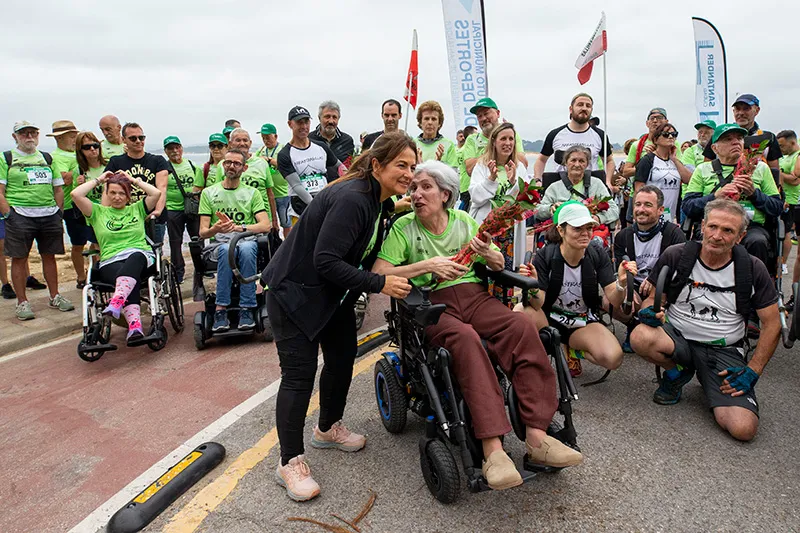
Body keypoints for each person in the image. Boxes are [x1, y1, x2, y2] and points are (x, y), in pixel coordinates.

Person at [373, 160, 583, 490]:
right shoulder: (404, 228)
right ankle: (493, 451)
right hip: (430, 304)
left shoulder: (465, 221)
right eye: (413, 188)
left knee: (521, 326)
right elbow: (380, 272)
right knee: (466, 340)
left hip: (474, 295)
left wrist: (489, 252)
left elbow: (498, 262)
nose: (416, 193)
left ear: (445, 194)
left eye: (424, 187)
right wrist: (428, 265)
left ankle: (537, 438)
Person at [262, 132, 416, 502]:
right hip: (293, 293)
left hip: (330, 295)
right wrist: (380, 282)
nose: (409, 173)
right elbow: (325, 261)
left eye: (412, 166)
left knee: (343, 357)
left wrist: (396, 209)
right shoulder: (353, 199)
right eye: (401, 165)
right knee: (299, 377)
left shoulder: (378, 199)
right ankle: (289, 462)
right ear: (377, 165)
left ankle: (328, 428)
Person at [630, 200, 779, 441]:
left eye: (728, 230)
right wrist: (649, 311)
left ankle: (706, 376)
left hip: (724, 350)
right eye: (713, 227)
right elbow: (655, 299)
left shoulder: (752, 268)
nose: (717, 236)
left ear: (740, 237)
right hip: (678, 339)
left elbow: (772, 324)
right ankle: (676, 373)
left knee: (743, 429)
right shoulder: (677, 255)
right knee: (640, 335)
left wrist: (753, 370)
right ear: (703, 226)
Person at [519, 201, 630, 376]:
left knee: (613, 358)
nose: (585, 234)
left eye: (589, 228)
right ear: (561, 230)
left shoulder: (597, 253)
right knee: (520, 310)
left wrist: (621, 284)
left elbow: (614, 301)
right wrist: (532, 285)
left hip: (581, 321)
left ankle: (571, 349)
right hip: (549, 319)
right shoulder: (545, 255)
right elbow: (537, 302)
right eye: (577, 229)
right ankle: (546, 353)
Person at [71, 171, 162, 344]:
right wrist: (99, 180)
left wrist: (134, 180)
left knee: (135, 258)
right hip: (110, 261)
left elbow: (156, 193)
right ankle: (134, 327)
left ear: (128, 196)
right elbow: (76, 194)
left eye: (122, 193)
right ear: (106, 193)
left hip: (140, 257)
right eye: (112, 192)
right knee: (126, 276)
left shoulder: (137, 208)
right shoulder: (97, 212)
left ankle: (117, 303)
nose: (117, 197)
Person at [682, 124, 783, 272]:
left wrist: (754, 194)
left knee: (757, 241)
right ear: (715, 148)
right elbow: (688, 206)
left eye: (740, 138)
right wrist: (715, 197)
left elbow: (777, 207)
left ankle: (754, 286)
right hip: (713, 225)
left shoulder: (760, 168)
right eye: (728, 139)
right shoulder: (703, 170)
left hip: (750, 227)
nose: (736, 142)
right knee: (708, 239)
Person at [0, 121, 74, 320]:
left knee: (49, 256)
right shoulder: (6, 157)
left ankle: (55, 296)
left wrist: (58, 213)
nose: (29, 136)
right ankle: (22, 302)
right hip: (20, 215)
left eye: (33, 132)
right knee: (19, 258)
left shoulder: (47, 158)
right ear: (15, 136)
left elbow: (58, 188)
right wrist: (9, 214)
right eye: (24, 133)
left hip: (48, 214)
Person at [198, 149, 272, 332]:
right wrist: (216, 228)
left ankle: (247, 307)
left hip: (244, 239)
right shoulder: (209, 193)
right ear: (223, 165)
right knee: (226, 250)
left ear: (244, 168)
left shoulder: (252, 193)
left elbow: (265, 225)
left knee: (246, 249)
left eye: (236, 163)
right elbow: (203, 232)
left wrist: (240, 228)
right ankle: (220, 308)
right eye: (228, 162)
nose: (231, 166)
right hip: (221, 243)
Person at [613, 186, 686, 350]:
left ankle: (642, 330)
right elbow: (618, 269)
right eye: (637, 204)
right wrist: (625, 291)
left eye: (647, 205)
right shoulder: (623, 235)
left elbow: (680, 271)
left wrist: (655, 280)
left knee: (648, 312)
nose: (641, 209)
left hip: (660, 288)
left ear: (660, 210)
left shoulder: (674, 234)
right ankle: (633, 325)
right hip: (635, 284)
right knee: (609, 301)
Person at [468, 122, 530, 270]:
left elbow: (527, 199)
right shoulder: (482, 165)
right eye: (503, 139)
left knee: (507, 268)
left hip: (509, 230)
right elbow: (475, 196)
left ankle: (506, 294)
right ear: (494, 141)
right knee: (484, 267)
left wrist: (514, 182)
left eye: (511, 139)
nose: (508, 143)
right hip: (487, 227)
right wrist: (490, 179)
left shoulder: (518, 167)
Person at [535, 145, 620, 249]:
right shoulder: (554, 187)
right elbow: (537, 211)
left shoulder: (597, 184)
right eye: (573, 160)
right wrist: (550, 208)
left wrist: (599, 218)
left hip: (589, 232)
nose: (577, 164)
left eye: (581, 161)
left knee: (595, 244)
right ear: (566, 163)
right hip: (562, 232)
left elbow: (614, 210)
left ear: (587, 164)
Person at [104, 122, 170, 242]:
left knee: (155, 251)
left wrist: (158, 211)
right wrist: (104, 213)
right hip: (125, 216)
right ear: (124, 140)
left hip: (152, 217)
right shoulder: (116, 162)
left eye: (141, 137)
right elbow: (107, 190)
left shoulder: (158, 161)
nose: (138, 141)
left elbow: (162, 187)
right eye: (133, 138)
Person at [277, 106, 342, 226]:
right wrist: (316, 205)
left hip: (325, 204)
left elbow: (339, 166)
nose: (304, 126)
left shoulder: (321, 146)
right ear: (290, 124)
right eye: (299, 122)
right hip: (300, 209)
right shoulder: (284, 154)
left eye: (306, 122)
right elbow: (296, 185)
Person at [459, 97, 528, 210]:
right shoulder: (472, 139)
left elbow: (522, 162)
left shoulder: (512, 134)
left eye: (486, 113)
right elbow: (470, 169)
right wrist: (494, 152)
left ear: (498, 113)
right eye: (479, 116)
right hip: (475, 198)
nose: (483, 118)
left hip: (508, 207)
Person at [534, 93, 614, 185]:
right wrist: (537, 180)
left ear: (591, 110)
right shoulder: (555, 134)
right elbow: (541, 160)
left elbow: (609, 161)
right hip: (560, 188)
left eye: (588, 106)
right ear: (571, 109)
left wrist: (607, 181)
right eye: (580, 105)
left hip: (591, 188)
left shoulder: (600, 135)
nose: (584, 108)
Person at [48, 120, 89, 288]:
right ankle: (81, 277)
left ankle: (95, 272)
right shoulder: (56, 157)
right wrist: (82, 165)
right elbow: (64, 180)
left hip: (87, 203)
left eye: (76, 136)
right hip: (71, 207)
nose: (75, 140)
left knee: (96, 241)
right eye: (72, 137)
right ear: (59, 138)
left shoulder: (76, 153)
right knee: (79, 244)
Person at [701, 94, 781, 170]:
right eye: (737, 109)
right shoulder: (718, 135)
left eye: (746, 108)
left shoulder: (768, 137)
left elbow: (774, 173)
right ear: (733, 111)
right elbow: (706, 170)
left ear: (757, 110)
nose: (741, 113)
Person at [220, 128, 279, 232]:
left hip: (262, 219)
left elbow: (269, 193)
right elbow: (219, 193)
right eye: (238, 140)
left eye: (245, 140)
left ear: (250, 143)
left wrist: (274, 220)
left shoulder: (261, 163)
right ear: (230, 143)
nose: (242, 143)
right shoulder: (223, 165)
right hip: (237, 220)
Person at [163, 136, 203, 284]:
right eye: (170, 148)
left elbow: (200, 185)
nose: (174, 151)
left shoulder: (192, 165)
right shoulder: (165, 168)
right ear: (166, 151)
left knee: (197, 239)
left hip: (192, 208)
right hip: (173, 209)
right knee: (175, 242)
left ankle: (201, 268)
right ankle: (178, 272)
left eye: (176, 147)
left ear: (181, 148)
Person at [634, 123, 693, 222]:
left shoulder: (674, 161)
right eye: (666, 134)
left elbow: (689, 180)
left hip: (671, 214)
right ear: (656, 139)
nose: (670, 137)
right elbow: (638, 189)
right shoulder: (648, 160)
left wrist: (674, 159)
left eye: (674, 134)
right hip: (651, 214)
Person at [621, 108, 682, 179]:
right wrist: (647, 161)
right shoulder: (637, 145)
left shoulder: (673, 143)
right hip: (642, 187)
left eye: (659, 118)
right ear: (647, 123)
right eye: (652, 118)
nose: (655, 121)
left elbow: (680, 168)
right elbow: (626, 172)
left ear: (666, 122)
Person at [777, 129, 800, 309]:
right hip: (786, 204)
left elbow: (794, 180)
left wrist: (775, 172)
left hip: (797, 205)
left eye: (783, 146)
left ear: (793, 143)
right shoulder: (784, 158)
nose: (781, 149)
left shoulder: (798, 155)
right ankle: (795, 296)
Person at [255, 124, 290, 235]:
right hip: (266, 195)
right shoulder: (260, 150)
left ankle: (288, 244)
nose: (266, 140)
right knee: (269, 223)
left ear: (275, 136)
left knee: (285, 222)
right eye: (263, 137)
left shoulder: (283, 149)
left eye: (268, 137)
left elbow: (286, 165)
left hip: (282, 193)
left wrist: (269, 160)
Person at [308, 101, 355, 177]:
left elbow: (348, 167)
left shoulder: (347, 141)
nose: (331, 121)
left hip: (339, 186)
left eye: (334, 117)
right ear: (319, 118)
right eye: (327, 116)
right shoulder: (309, 139)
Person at [413, 100, 459, 167]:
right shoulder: (413, 145)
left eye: (434, 119)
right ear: (420, 122)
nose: (430, 122)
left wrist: (438, 166)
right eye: (426, 118)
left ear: (439, 123)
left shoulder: (448, 145)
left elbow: (453, 174)